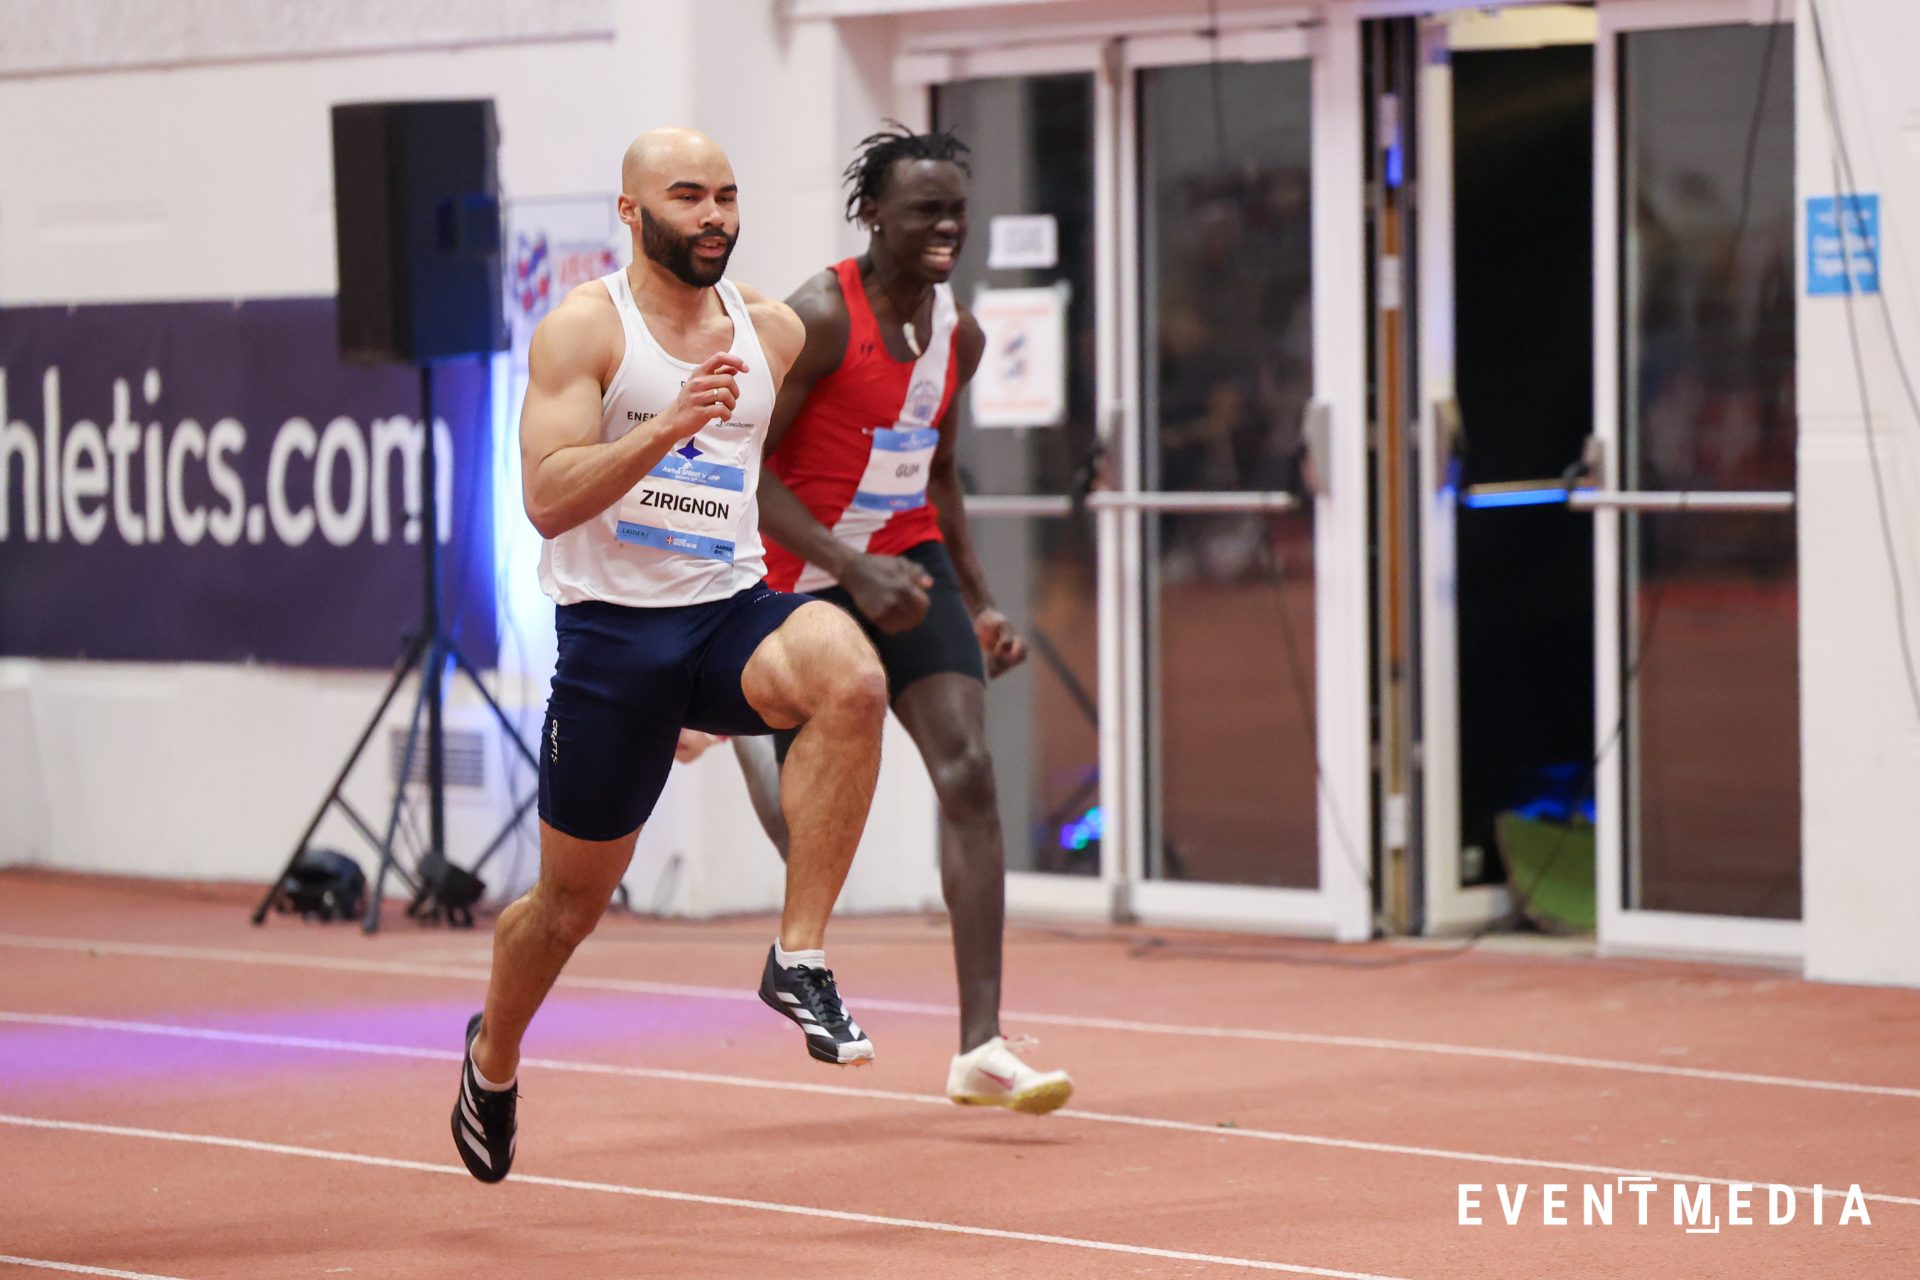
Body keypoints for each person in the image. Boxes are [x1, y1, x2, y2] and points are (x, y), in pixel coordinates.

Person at [452, 127, 890, 1186]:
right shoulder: (584, 328)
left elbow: (792, 463)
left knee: (851, 675)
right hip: (615, 641)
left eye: (727, 196)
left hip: (728, 613)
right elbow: (545, 498)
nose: (714, 217)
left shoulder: (773, 330)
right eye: (688, 196)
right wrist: (664, 425)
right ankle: (493, 1055)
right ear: (631, 211)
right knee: (567, 911)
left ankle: (799, 955)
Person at [731, 123, 1073, 1115]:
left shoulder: (961, 335)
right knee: (808, 825)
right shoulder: (818, 317)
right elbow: (748, 472)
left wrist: (982, 597)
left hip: (909, 556)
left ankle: (981, 1047)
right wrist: (849, 568)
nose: (948, 228)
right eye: (927, 211)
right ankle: (739, 725)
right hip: (805, 566)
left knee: (967, 770)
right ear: (872, 214)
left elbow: (940, 470)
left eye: (958, 211)